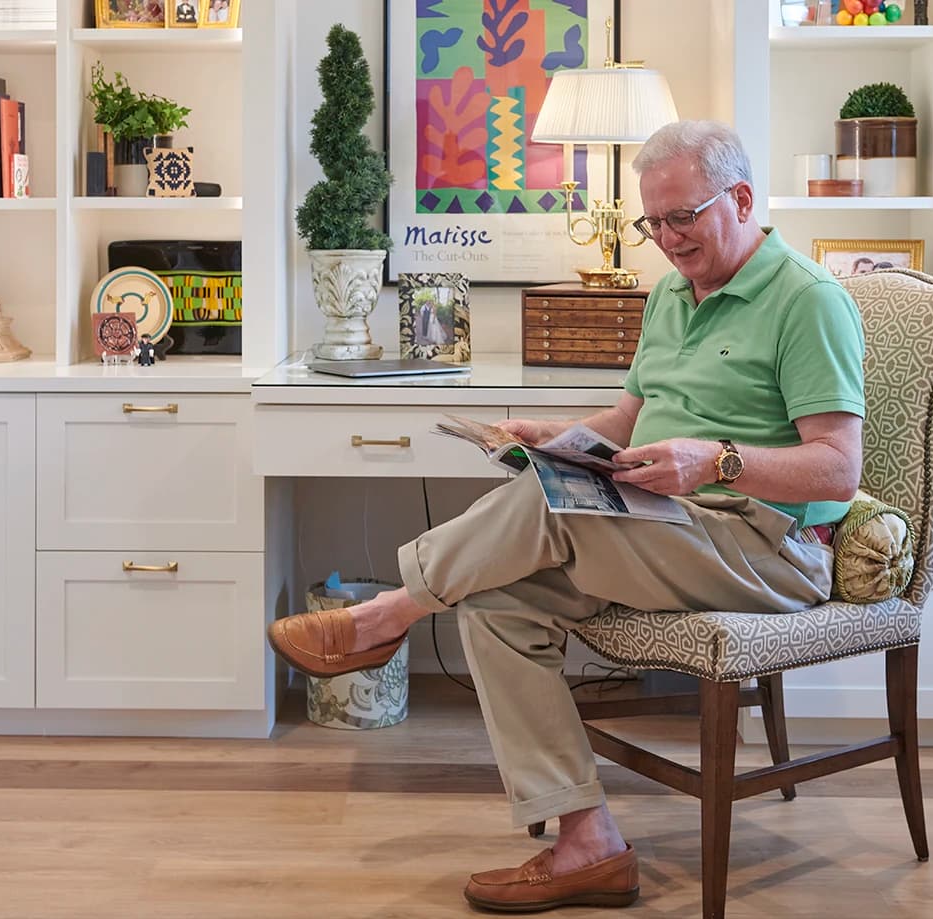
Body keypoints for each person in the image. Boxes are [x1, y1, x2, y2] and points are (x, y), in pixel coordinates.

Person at [267, 120, 865, 913]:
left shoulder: (807, 300)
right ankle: (589, 843)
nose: (667, 239)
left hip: (767, 546)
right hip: (666, 527)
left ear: (743, 199)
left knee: (557, 512)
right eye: (654, 223)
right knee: (495, 604)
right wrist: (554, 437)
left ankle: (386, 613)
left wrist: (715, 459)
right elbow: (629, 418)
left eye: (682, 217)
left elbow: (838, 466)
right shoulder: (670, 296)